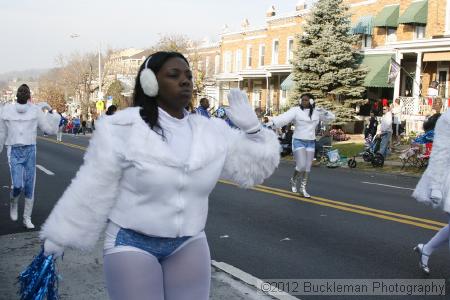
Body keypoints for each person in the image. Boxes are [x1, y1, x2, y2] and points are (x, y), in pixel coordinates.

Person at [39, 51, 280, 300]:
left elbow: (252, 172)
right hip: (131, 243)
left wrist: (254, 131)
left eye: (188, 75)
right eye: (174, 75)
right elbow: (93, 184)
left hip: (189, 243)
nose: (185, 80)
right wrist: (60, 235)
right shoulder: (122, 128)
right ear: (150, 83)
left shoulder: (212, 132)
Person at [0, 84, 60, 229]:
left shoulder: (35, 111)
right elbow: (2, 132)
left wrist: (50, 112)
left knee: (29, 186)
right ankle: (13, 201)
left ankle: (27, 217)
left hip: (30, 150)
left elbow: (49, 129)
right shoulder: (7, 110)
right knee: (18, 185)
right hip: (14, 150)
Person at [266, 93, 335, 197]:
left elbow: (331, 118)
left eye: (306, 100)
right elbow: (284, 118)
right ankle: (293, 180)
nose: (303, 102)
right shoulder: (295, 110)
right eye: (302, 100)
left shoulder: (316, 112)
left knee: (307, 167)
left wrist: (324, 111)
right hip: (298, 140)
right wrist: (272, 123)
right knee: (301, 165)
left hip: (311, 142)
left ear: (311, 101)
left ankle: (303, 188)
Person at [412, 109, 450, 275]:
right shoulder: (447, 119)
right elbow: (440, 152)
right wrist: (435, 186)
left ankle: (425, 249)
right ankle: (425, 249)